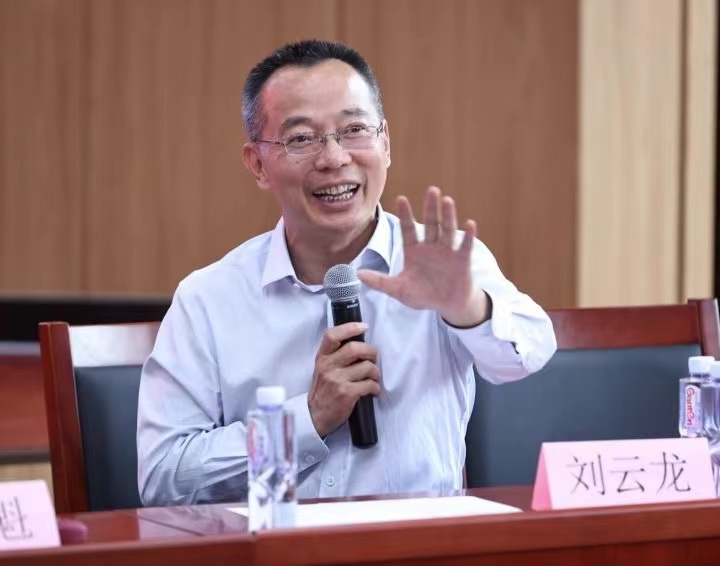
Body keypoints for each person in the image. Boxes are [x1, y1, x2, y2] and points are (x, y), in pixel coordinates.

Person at [137, 39, 557, 506]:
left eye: (354, 129)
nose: (334, 158)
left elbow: (529, 353)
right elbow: (163, 479)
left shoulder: (443, 262)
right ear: (258, 165)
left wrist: (467, 308)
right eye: (301, 138)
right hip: (276, 542)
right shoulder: (208, 299)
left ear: (385, 142)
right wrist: (307, 419)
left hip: (419, 540)